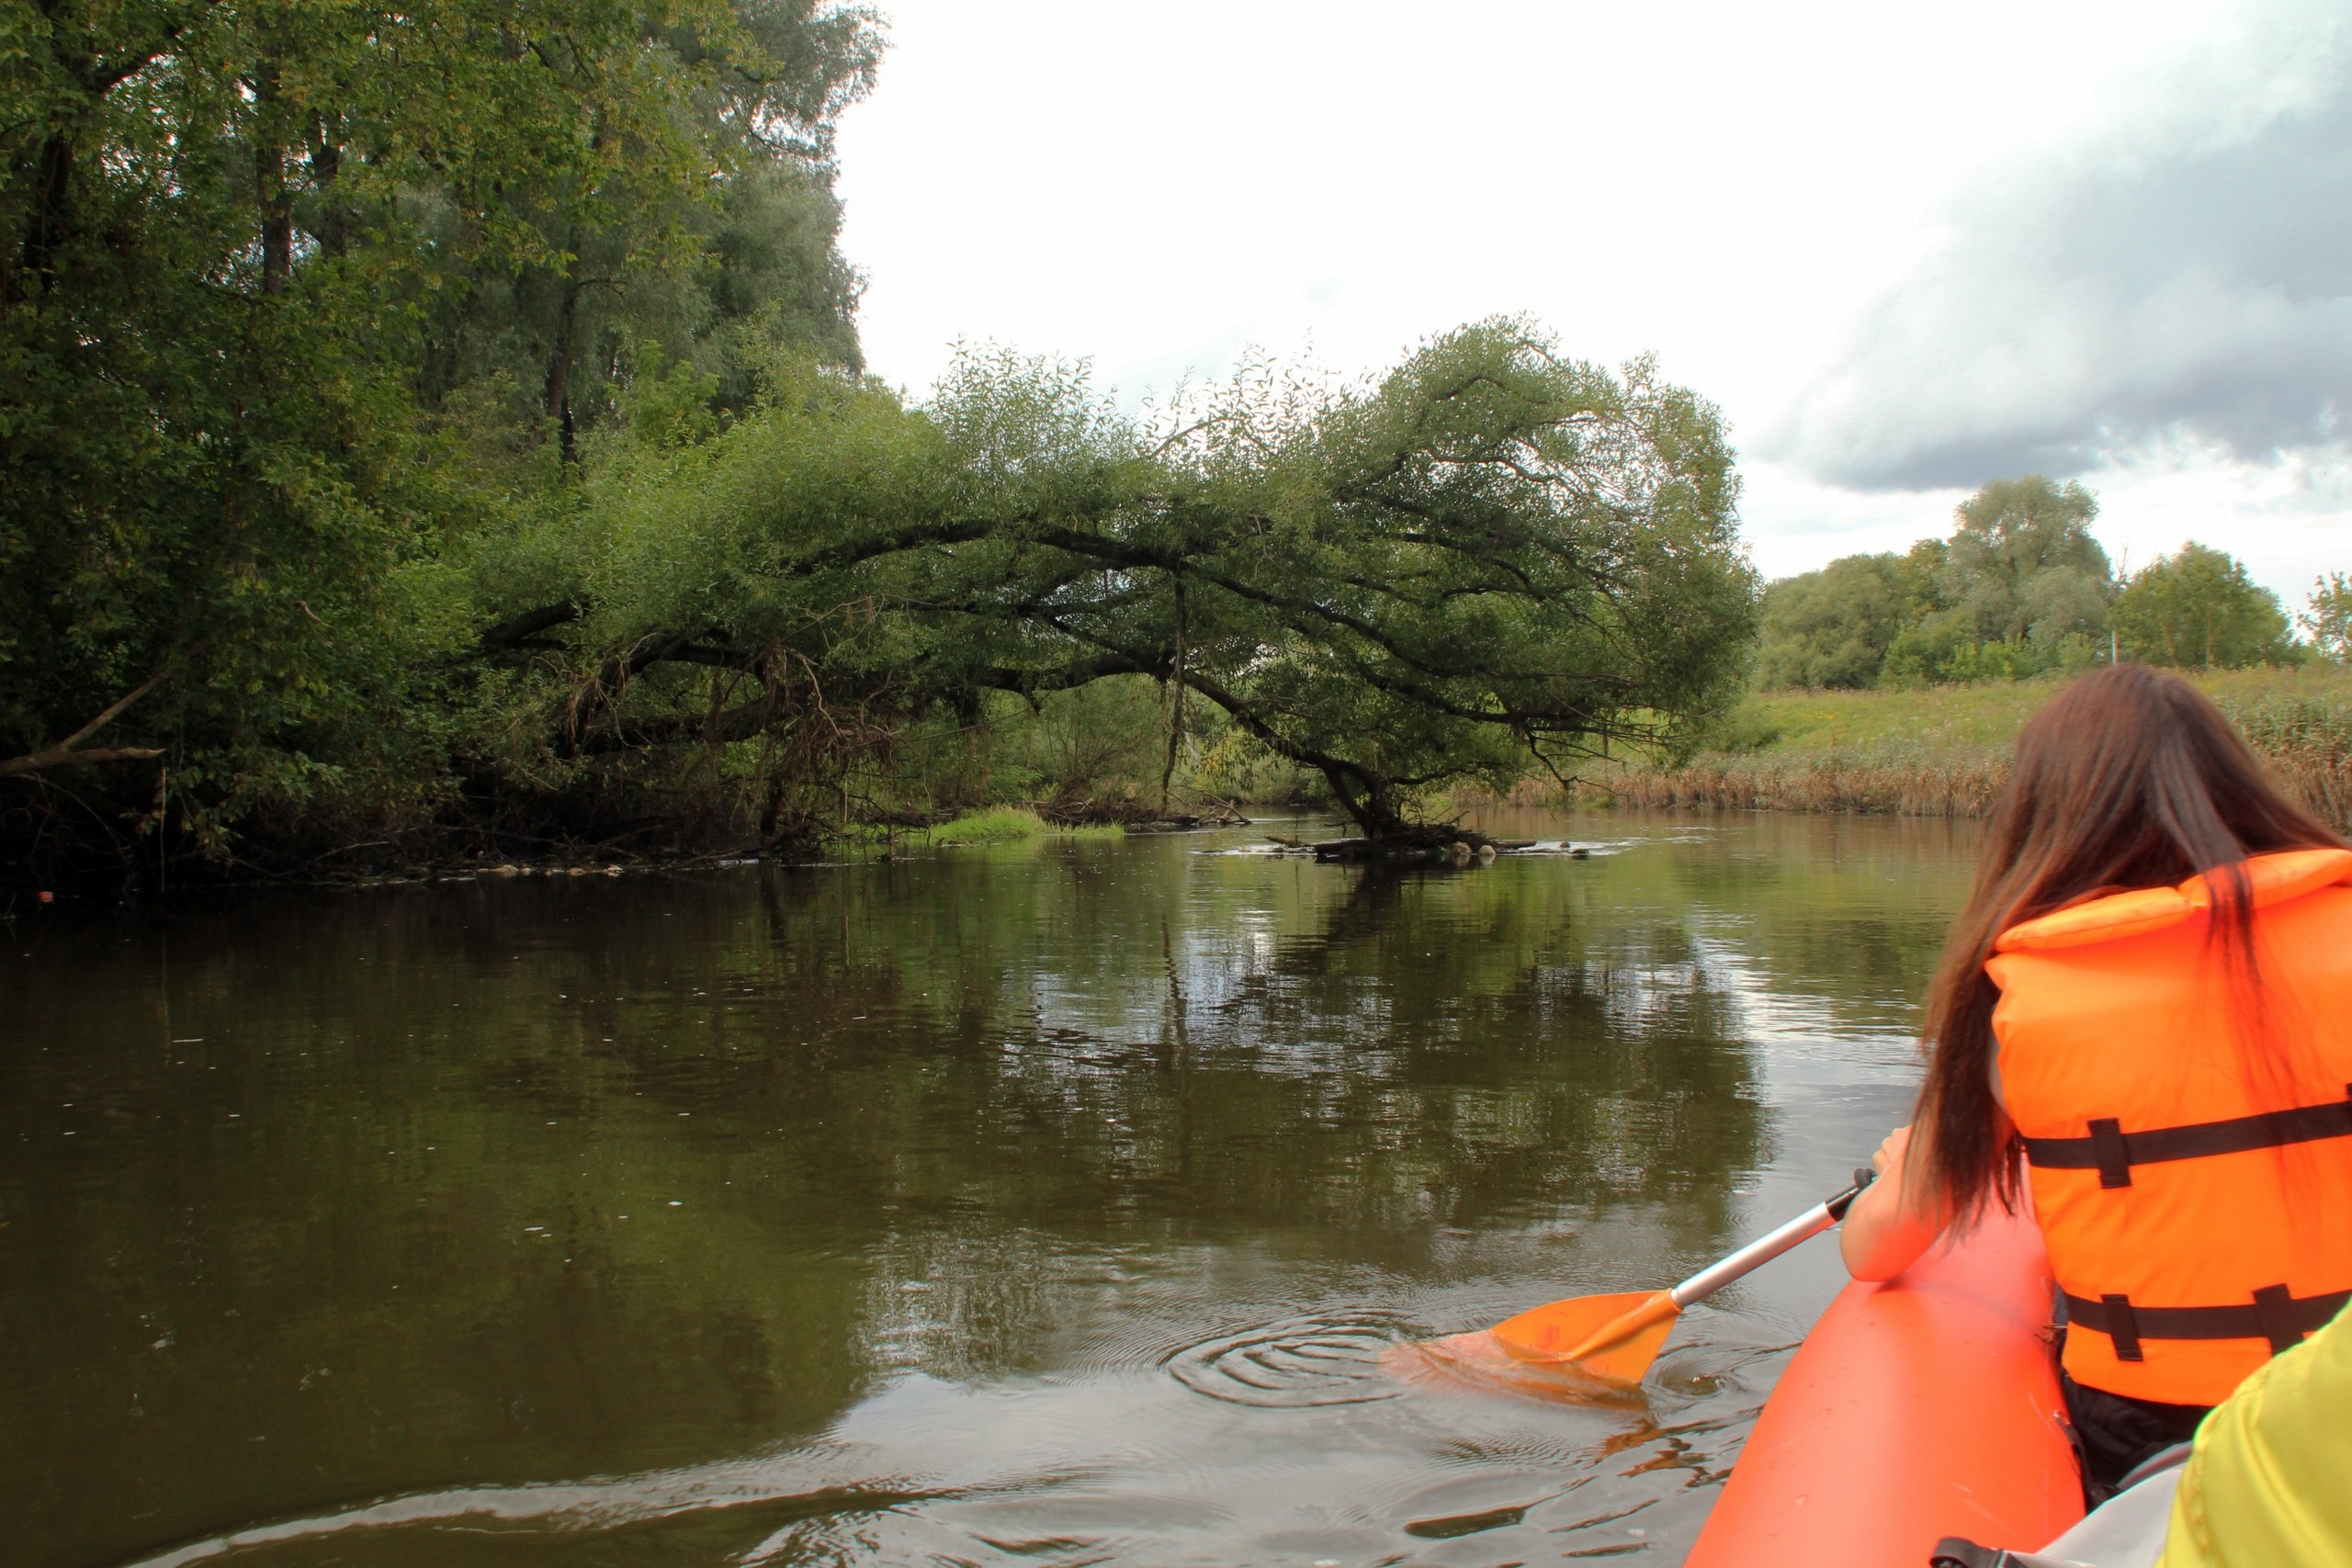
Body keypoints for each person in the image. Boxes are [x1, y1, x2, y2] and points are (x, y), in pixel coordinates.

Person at [1838, 664, 2352, 1502]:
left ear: (2044, 811)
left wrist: (1900, 1172)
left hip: (2156, 1423)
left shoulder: (2019, 995)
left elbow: (1873, 1247)